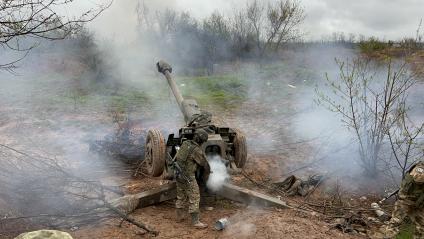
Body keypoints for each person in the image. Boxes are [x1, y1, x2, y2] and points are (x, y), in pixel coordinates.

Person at [174, 129, 210, 229]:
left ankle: (179, 216)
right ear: (201, 140)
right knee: (195, 197)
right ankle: (195, 222)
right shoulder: (196, 150)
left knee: (181, 196)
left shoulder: (185, 143)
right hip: (188, 177)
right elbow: (203, 164)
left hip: (178, 174)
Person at [381, 161, 424, 238]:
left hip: (420, 204)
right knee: (396, 222)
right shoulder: (420, 167)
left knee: (421, 227)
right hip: (406, 200)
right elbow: (418, 178)